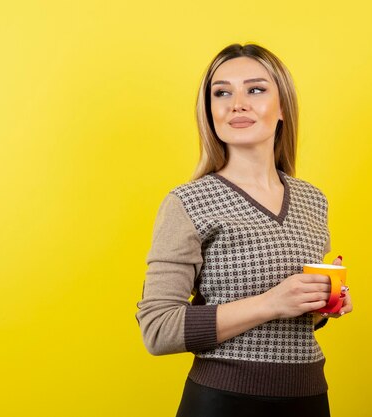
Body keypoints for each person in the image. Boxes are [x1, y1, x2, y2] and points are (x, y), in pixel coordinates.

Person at [136, 43, 353, 417]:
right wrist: (271, 303)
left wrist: (324, 304)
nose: (237, 103)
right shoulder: (188, 202)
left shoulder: (312, 200)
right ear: (210, 110)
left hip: (309, 398)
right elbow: (157, 329)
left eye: (255, 89)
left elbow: (301, 323)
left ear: (282, 107)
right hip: (222, 403)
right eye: (222, 92)